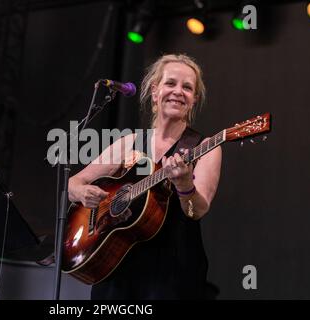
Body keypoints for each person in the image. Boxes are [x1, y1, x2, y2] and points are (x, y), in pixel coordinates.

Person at [68, 54, 222, 299]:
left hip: (172, 270)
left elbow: (197, 211)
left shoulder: (205, 147)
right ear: (155, 90)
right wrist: (82, 192)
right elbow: (74, 183)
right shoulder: (130, 142)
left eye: (187, 87)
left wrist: (183, 184)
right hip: (117, 263)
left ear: (194, 100)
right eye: (170, 83)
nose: (178, 91)